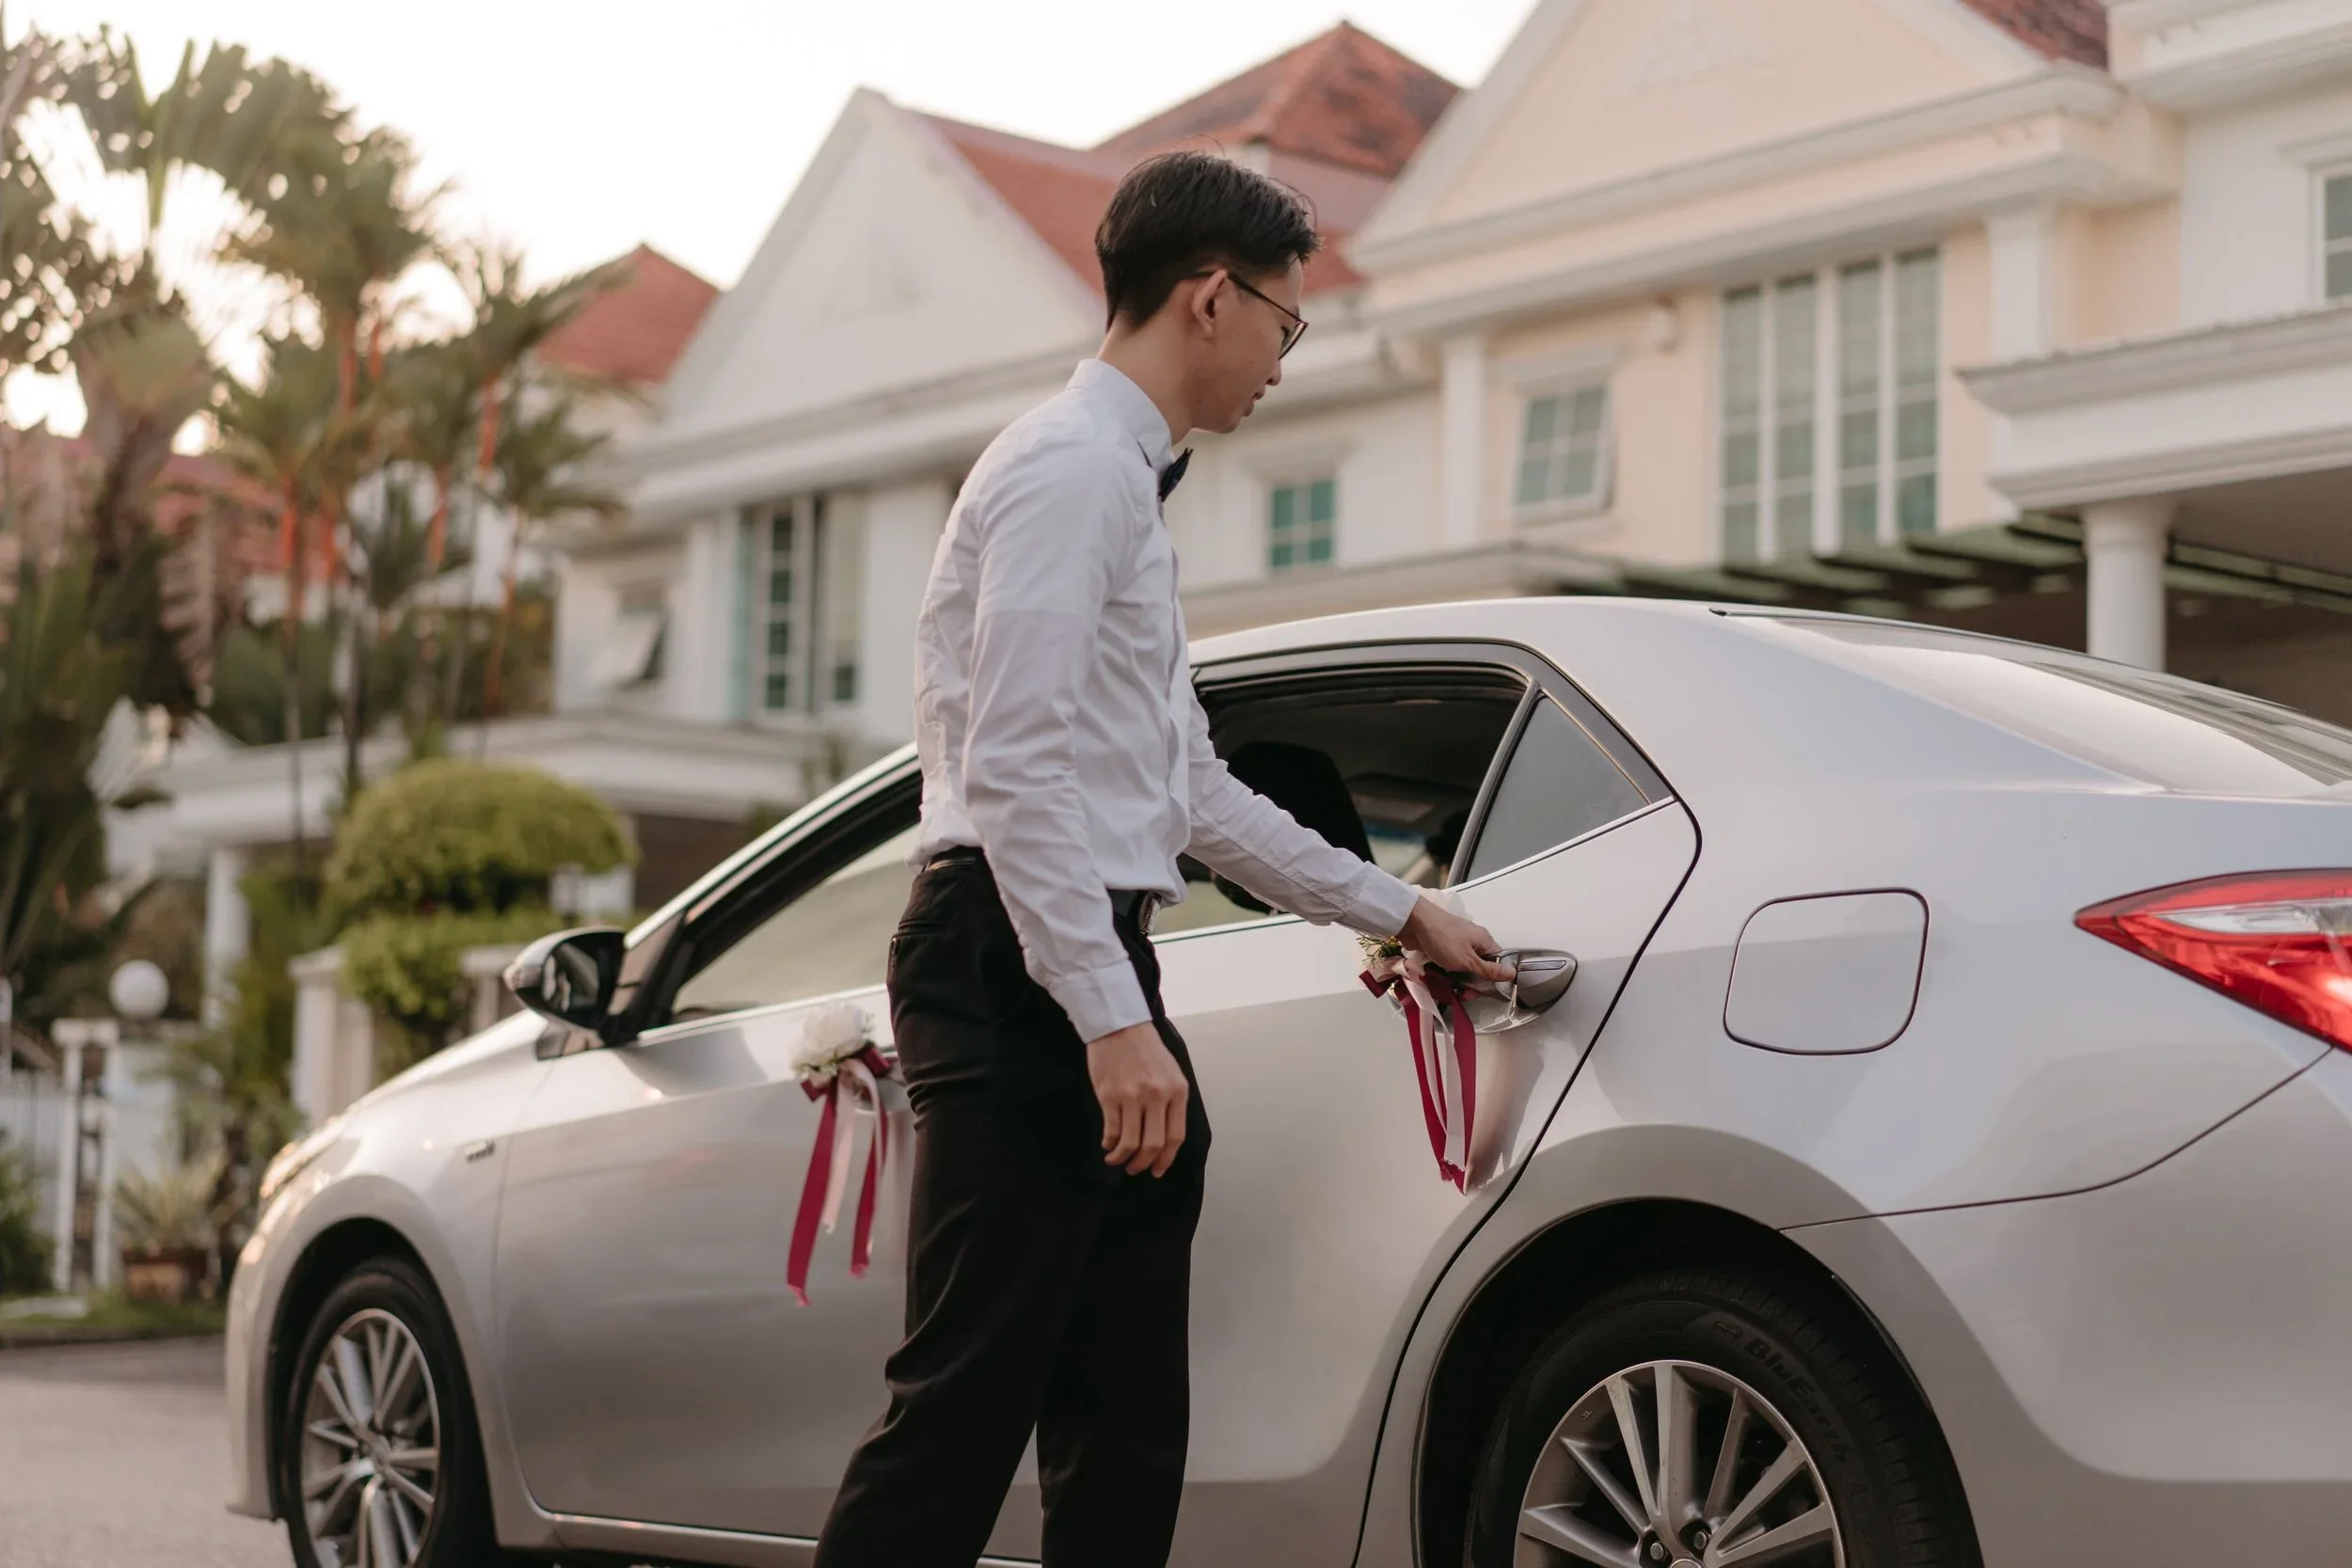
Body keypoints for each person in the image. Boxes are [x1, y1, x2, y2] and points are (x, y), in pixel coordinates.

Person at [811, 149, 1510, 1568]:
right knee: (962, 1409)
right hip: (1016, 961)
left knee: (1126, 1424)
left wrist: (1401, 907)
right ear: (1208, 299)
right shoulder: (1071, 475)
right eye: (1286, 322)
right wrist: (1110, 1017)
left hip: (1082, 954)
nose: (1281, 357)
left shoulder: (1123, 485)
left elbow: (1186, 785)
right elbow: (1013, 769)